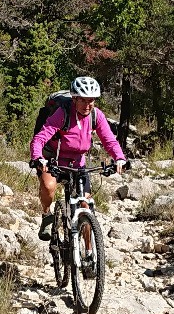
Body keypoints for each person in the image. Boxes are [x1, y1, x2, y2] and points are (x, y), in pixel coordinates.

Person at [30, 75, 127, 241]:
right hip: (53, 159)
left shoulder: (96, 116)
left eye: (91, 101)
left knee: (86, 207)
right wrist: (38, 158)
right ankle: (46, 215)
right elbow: (40, 138)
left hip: (78, 163)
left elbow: (109, 140)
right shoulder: (62, 113)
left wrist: (119, 158)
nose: (87, 105)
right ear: (74, 99)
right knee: (48, 186)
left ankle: (90, 255)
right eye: (83, 100)